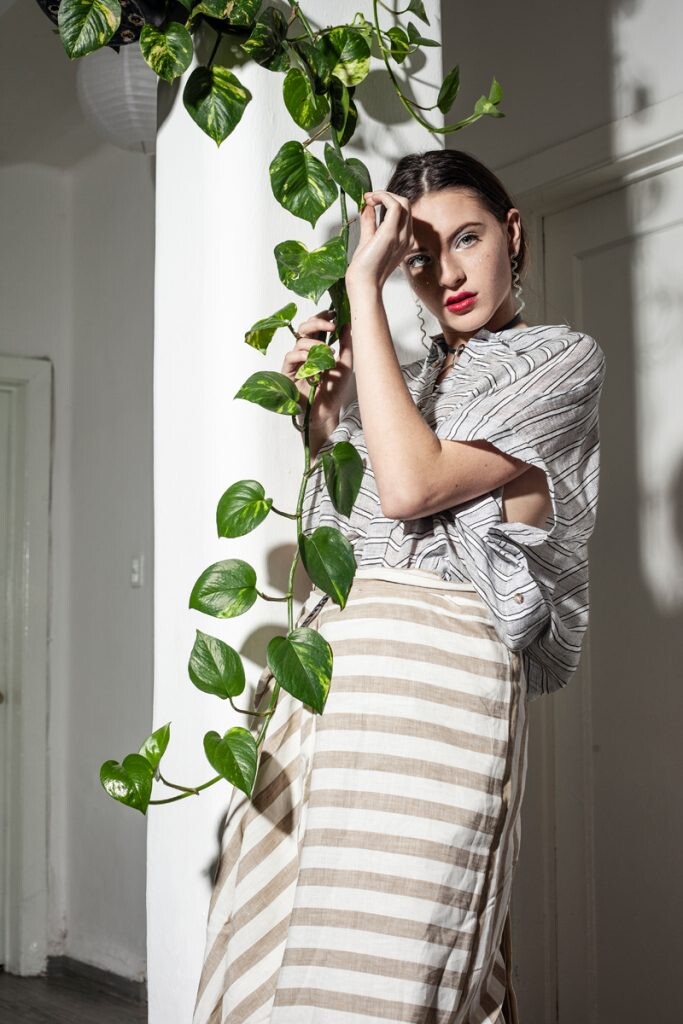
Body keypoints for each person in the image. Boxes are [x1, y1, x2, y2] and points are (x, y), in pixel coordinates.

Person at [193, 149, 606, 1024]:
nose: (446, 274)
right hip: (335, 686)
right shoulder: (401, 386)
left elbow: (413, 487)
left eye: (467, 239)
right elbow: (339, 557)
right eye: (417, 257)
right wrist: (325, 423)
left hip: (437, 690)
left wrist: (362, 291)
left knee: (394, 970)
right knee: (279, 968)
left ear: (513, 233)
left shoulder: (558, 359)